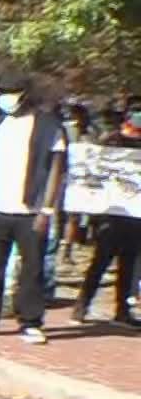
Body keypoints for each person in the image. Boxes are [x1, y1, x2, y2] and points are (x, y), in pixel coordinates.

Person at [0, 75, 68, 344]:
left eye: (12, 91)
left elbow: (57, 169)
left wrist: (47, 210)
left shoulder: (48, 126)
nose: (6, 97)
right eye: (2, 92)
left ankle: (30, 321)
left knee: (31, 269)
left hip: (30, 211)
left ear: (25, 93)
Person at [73, 105, 141, 327]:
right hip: (110, 215)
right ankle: (82, 306)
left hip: (135, 215)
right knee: (100, 261)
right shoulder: (111, 142)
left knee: (128, 264)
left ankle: (122, 310)